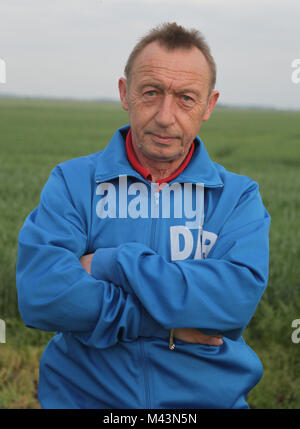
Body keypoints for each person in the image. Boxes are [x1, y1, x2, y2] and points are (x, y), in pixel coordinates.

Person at [16, 22, 271, 409]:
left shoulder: (237, 197)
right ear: (125, 93)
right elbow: (42, 292)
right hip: (83, 399)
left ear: (209, 105)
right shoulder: (73, 182)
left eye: (186, 98)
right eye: (151, 92)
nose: (166, 116)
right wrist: (163, 323)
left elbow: (233, 303)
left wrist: (113, 261)